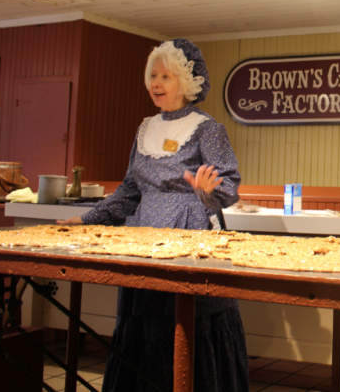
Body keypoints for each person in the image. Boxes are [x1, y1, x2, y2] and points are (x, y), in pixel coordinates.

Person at [58, 39, 249, 392]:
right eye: (153, 75)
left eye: (166, 76)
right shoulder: (145, 128)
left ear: (187, 83)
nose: (156, 83)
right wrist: (87, 219)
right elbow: (130, 191)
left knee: (185, 320)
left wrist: (207, 189)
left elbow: (228, 187)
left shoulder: (208, 128)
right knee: (144, 316)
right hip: (144, 236)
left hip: (191, 235)